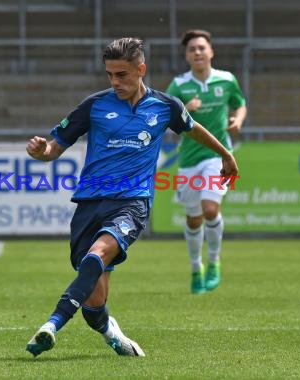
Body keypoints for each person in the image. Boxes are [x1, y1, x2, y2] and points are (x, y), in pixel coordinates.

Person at [25, 37, 238, 357]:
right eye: (110, 74)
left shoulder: (165, 106)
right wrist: (42, 152)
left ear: (141, 70)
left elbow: (192, 128)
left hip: (132, 202)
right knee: (94, 300)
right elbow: (55, 147)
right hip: (89, 203)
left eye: (121, 75)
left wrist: (225, 155)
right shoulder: (94, 105)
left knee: (96, 254)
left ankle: (52, 324)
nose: (115, 82)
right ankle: (111, 331)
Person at [166, 29, 247, 295]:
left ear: (211, 51)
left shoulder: (226, 80)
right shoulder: (179, 85)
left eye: (202, 48)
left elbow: (240, 103)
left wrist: (238, 119)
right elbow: (164, 119)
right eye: (192, 49)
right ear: (187, 56)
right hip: (189, 159)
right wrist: (185, 110)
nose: (198, 52)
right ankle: (195, 267)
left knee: (210, 209)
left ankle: (213, 262)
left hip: (217, 156)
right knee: (193, 219)